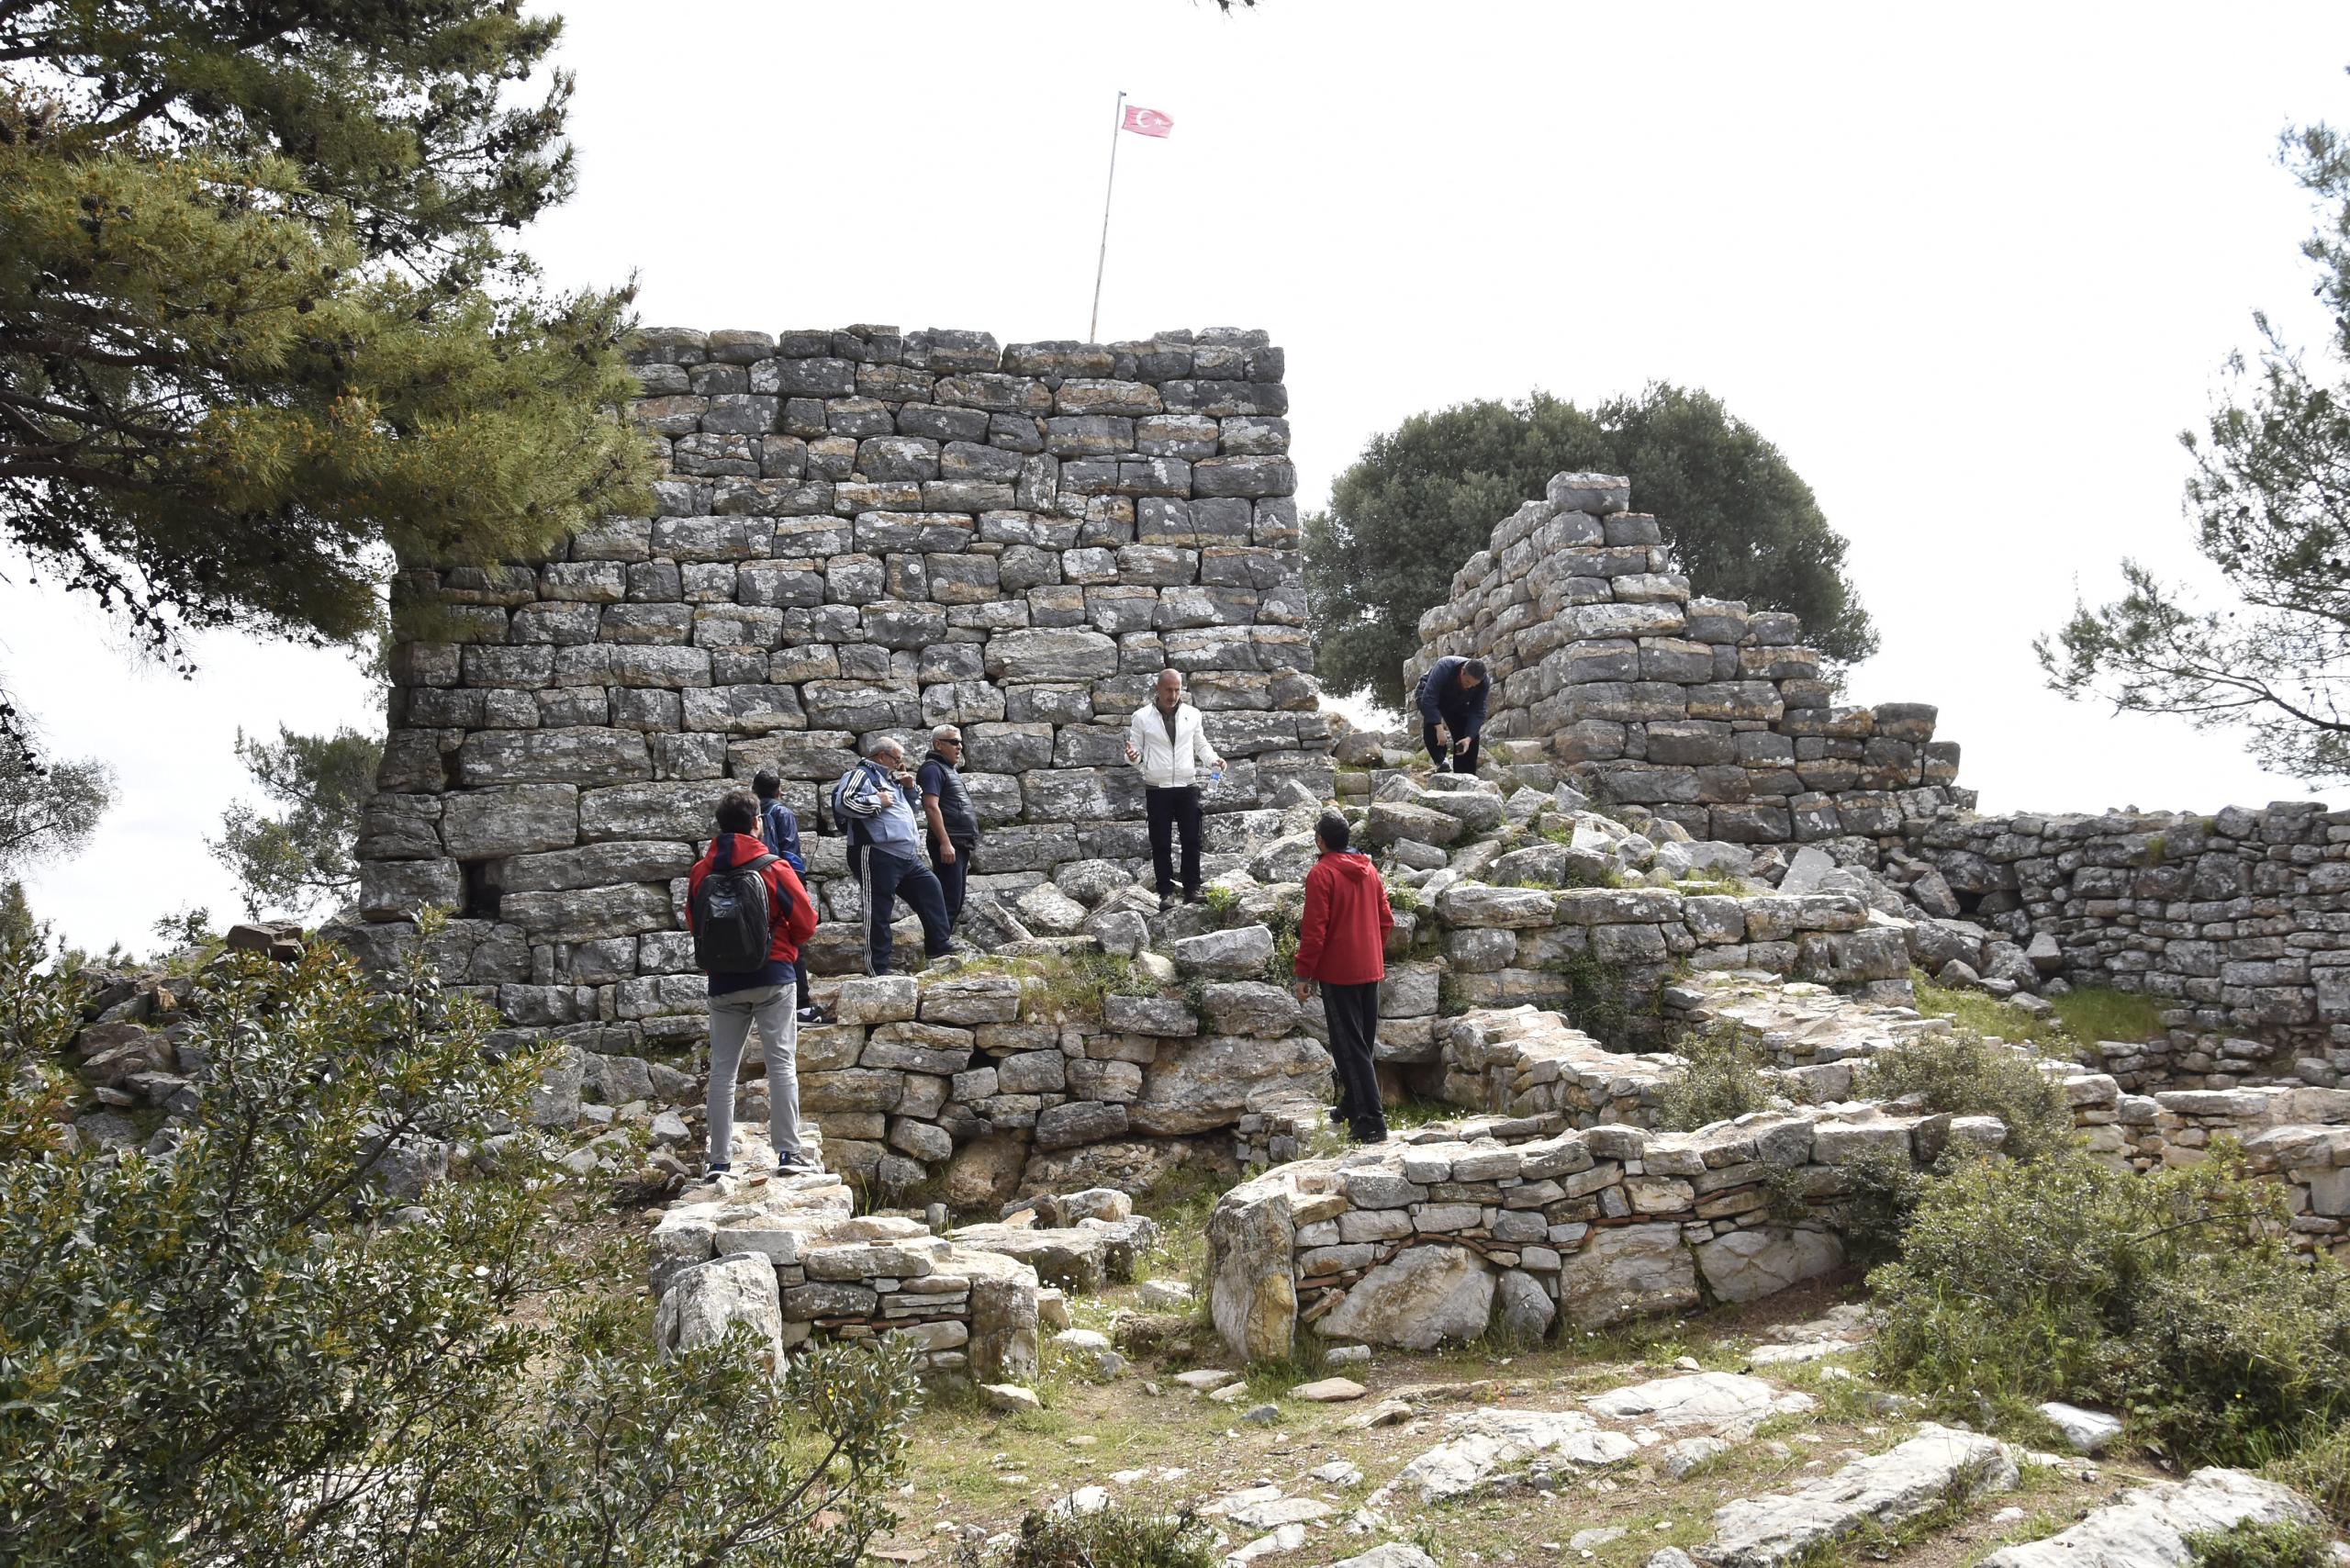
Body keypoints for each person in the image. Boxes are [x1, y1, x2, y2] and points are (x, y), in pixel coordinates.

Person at [687, 790, 820, 1179]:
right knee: (781, 1064)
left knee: (723, 1072)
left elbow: (695, 923)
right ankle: (788, 1155)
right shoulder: (774, 867)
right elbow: (807, 923)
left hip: (724, 983)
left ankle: (718, 1162)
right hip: (773, 977)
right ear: (757, 823)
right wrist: (783, 947)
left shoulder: (701, 871)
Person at [1292, 811, 1394, 1145]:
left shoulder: (1321, 874)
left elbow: (1314, 932)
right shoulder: (1369, 869)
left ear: (1320, 841)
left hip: (1340, 971)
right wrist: (1371, 951)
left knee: (1349, 1047)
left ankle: (1371, 1121)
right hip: (1370, 967)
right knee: (1362, 1042)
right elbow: (1386, 920)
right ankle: (1352, 1104)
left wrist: (1303, 973)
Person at [832, 736, 953, 975]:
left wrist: (908, 788)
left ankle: (938, 948)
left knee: (931, 889)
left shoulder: (891, 779)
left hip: (905, 856)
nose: (900, 765)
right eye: (897, 760)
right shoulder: (860, 774)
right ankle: (877, 968)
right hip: (876, 853)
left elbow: (910, 808)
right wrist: (876, 800)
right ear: (881, 756)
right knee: (879, 909)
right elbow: (843, 802)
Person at [1124, 668, 1225, 912]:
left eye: (1177, 689)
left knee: (1192, 839)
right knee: (1161, 843)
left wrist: (1214, 760)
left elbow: (1201, 744)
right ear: (1157, 688)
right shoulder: (1141, 717)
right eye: (1168, 689)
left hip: (1187, 786)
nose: (1173, 694)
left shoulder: (1193, 714)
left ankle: (1192, 889)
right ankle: (1166, 893)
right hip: (1157, 788)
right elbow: (1134, 752)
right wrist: (1132, 757)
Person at [751, 768, 827, 1025]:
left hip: (752, 884)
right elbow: (790, 851)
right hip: (779, 881)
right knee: (793, 940)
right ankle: (802, 1005)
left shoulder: (750, 812)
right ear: (777, 790)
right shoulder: (781, 812)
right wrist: (797, 885)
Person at [916, 724, 980, 930]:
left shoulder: (946, 769)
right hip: (950, 842)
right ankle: (938, 947)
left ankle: (942, 942)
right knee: (948, 899)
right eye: (953, 742)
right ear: (938, 744)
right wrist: (945, 842)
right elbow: (931, 806)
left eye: (960, 742)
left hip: (959, 841)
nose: (959, 746)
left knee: (955, 898)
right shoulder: (933, 769)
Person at [1414, 655, 1489, 776]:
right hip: (1429, 693)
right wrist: (1439, 727)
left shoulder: (1483, 682)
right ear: (1462, 672)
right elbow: (1429, 699)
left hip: (1457, 700)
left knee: (1469, 734)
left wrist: (1469, 738)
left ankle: (1466, 775)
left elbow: (1478, 711)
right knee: (1432, 724)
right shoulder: (1444, 666)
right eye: (1467, 682)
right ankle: (1441, 762)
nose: (1469, 687)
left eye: (1473, 685)